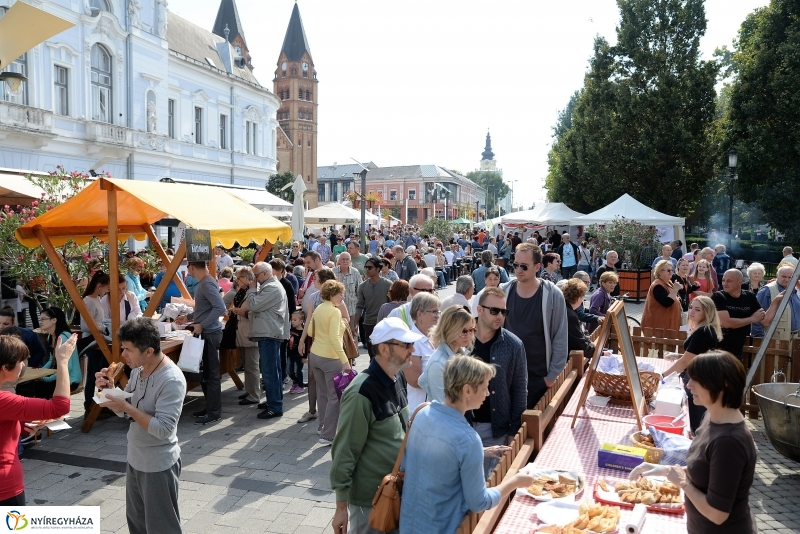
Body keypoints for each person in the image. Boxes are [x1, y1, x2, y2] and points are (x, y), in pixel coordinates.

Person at [399, 355, 535, 534]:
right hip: (442, 527)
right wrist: (515, 482)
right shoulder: (468, 439)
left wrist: (479, 452)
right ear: (467, 390)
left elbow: (411, 465)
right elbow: (479, 502)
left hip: (408, 525)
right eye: (485, 387)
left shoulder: (421, 414)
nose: (488, 393)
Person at [630, 352, 757, 534]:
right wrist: (666, 470)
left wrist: (683, 483)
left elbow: (717, 514)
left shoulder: (729, 443)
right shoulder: (712, 416)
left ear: (722, 385)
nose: (689, 385)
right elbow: (706, 470)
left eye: (697, 380)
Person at [330, 318, 423, 534]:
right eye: (406, 345)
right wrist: (341, 507)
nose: (413, 349)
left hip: (396, 492)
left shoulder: (397, 377)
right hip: (371, 502)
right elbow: (345, 451)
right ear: (384, 349)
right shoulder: (360, 392)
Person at [96, 318, 186, 534]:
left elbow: (163, 429)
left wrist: (126, 407)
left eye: (128, 349)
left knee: (161, 528)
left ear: (148, 351)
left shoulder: (172, 379)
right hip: (135, 458)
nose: (123, 355)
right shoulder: (138, 370)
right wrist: (109, 390)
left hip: (158, 465)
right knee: (137, 524)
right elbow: (126, 412)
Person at [0, 334, 77, 506]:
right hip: (5, 489)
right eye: (21, 361)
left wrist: (24, 424)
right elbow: (60, 407)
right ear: (5, 366)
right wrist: (62, 361)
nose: (23, 365)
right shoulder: (4, 401)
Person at [468, 287, 527, 473]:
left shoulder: (513, 345)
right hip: (460, 426)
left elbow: (519, 389)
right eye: (494, 311)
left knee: (487, 483)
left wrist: (513, 430)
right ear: (479, 309)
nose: (500, 316)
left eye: (504, 311)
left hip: (494, 430)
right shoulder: (461, 338)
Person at [502, 243, 568, 408]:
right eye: (515, 265)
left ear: (538, 267)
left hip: (539, 378)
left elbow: (560, 336)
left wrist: (551, 377)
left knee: (535, 423)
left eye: (524, 266)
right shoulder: (504, 291)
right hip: (507, 376)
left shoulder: (552, 294)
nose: (518, 270)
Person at [663, 296, 723, 433]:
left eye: (697, 309)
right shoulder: (705, 329)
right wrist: (678, 356)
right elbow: (698, 354)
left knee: (696, 421)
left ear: (707, 313)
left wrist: (663, 376)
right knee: (697, 418)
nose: (691, 312)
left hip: (698, 379)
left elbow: (686, 361)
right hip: (701, 377)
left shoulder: (703, 331)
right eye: (691, 308)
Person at [309, 280, 351, 446]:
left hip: (315, 355)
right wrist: (345, 361)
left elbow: (311, 331)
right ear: (332, 294)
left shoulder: (319, 308)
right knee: (334, 397)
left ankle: (322, 427)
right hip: (330, 357)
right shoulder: (334, 312)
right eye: (340, 294)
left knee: (322, 393)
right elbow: (334, 339)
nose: (342, 297)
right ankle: (327, 435)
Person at [246, 262, 289, 420]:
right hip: (269, 332)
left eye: (256, 275)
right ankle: (274, 400)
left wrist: (252, 289)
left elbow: (253, 305)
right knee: (273, 370)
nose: (255, 279)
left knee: (270, 372)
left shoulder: (272, 287)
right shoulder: (271, 285)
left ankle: (275, 406)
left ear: (265, 273)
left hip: (269, 333)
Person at [187, 260, 226, 425]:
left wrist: (202, 324)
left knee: (211, 375)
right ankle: (210, 407)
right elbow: (206, 308)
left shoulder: (206, 283)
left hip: (209, 334)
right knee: (205, 374)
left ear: (192, 267)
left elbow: (220, 307)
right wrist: (189, 317)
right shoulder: (206, 282)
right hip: (207, 333)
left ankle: (214, 412)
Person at [16, 307, 81, 399]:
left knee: (34, 387)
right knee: (28, 385)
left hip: (71, 380)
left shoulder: (63, 337)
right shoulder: (50, 337)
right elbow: (51, 359)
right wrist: (39, 372)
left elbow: (68, 367)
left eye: (43, 319)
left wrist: (46, 379)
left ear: (54, 320)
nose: (40, 322)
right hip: (60, 375)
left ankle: (43, 407)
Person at [712, 269, 778, 360]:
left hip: (737, 350)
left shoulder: (749, 296)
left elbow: (765, 321)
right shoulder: (718, 297)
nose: (724, 283)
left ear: (739, 282)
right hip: (717, 349)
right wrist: (752, 319)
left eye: (729, 281)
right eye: (723, 280)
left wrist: (775, 302)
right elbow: (726, 323)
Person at [419, 305, 475, 404]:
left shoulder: (462, 354)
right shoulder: (438, 364)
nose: (468, 335)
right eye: (463, 331)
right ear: (450, 330)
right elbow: (442, 406)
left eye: (471, 330)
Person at [224, 267, 261, 406]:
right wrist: (234, 311)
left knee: (252, 366)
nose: (236, 280)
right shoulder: (242, 291)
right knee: (247, 365)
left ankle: (254, 395)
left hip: (251, 333)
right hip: (242, 332)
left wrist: (243, 313)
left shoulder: (255, 291)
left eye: (239, 278)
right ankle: (249, 391)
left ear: (246, 278)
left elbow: (257, 312)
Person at [404, 292, 440, 412]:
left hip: (437, 407)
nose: (437, 316)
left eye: (438, 312)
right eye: (434, 312)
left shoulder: (436, 337)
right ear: (420, 314)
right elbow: (414, 380)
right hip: (421, 410)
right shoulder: (412, 341)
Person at [352, 258, 392, 360]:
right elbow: (359, 306)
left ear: (378, 269)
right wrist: (355, 324)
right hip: (369, 323)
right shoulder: (362, 286)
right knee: (372, 354)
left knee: (385, 354)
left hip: (384, 324)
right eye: (366, 267)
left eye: (370, 267)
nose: (367, 270)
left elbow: (392, 304)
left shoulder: (388, 284)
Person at [751, 265, 800, 339]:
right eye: (784, 276)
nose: (787, 279)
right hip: (773, 340)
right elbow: (757, 319)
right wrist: (758, 340)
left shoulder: (794, 290)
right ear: (777, 275)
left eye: (790, 277)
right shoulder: (767, 291)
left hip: (793, 339)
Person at [641, 260, 682, 332]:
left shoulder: (668, 282)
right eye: (668, 270)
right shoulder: (658, 285)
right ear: (659, 272)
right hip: (658, 328)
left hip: (667, 326)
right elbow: (666, 302)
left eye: (672, 270)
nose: (671, 272)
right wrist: (675, 290)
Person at [562, 279, 596, 359]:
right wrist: (599, 352)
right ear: (578, 297)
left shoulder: (563, 308)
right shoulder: (570, 315)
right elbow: (579, 344)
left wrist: (588, 342)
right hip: (564, 357)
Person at [334, 252, 361, 321]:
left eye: (347, 259)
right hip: (336, 311)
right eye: (343, 259)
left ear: (350, 261)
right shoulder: (333, 271)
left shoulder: (355, 272)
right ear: (339, 260)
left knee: (351, 328)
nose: (345, 261)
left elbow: (359, 291)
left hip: (352, 310)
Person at [287, 311, 307, 394]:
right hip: (290, 354)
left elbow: (306, 345)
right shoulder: (291, 330)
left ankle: (300, 386)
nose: (292, 321)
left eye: (295, 320)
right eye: (292, 319)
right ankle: (295, 382)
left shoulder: (303, 333)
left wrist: (304, 357)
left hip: (299, 355)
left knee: (297, 371)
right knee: (289, 371)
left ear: (301, 321)